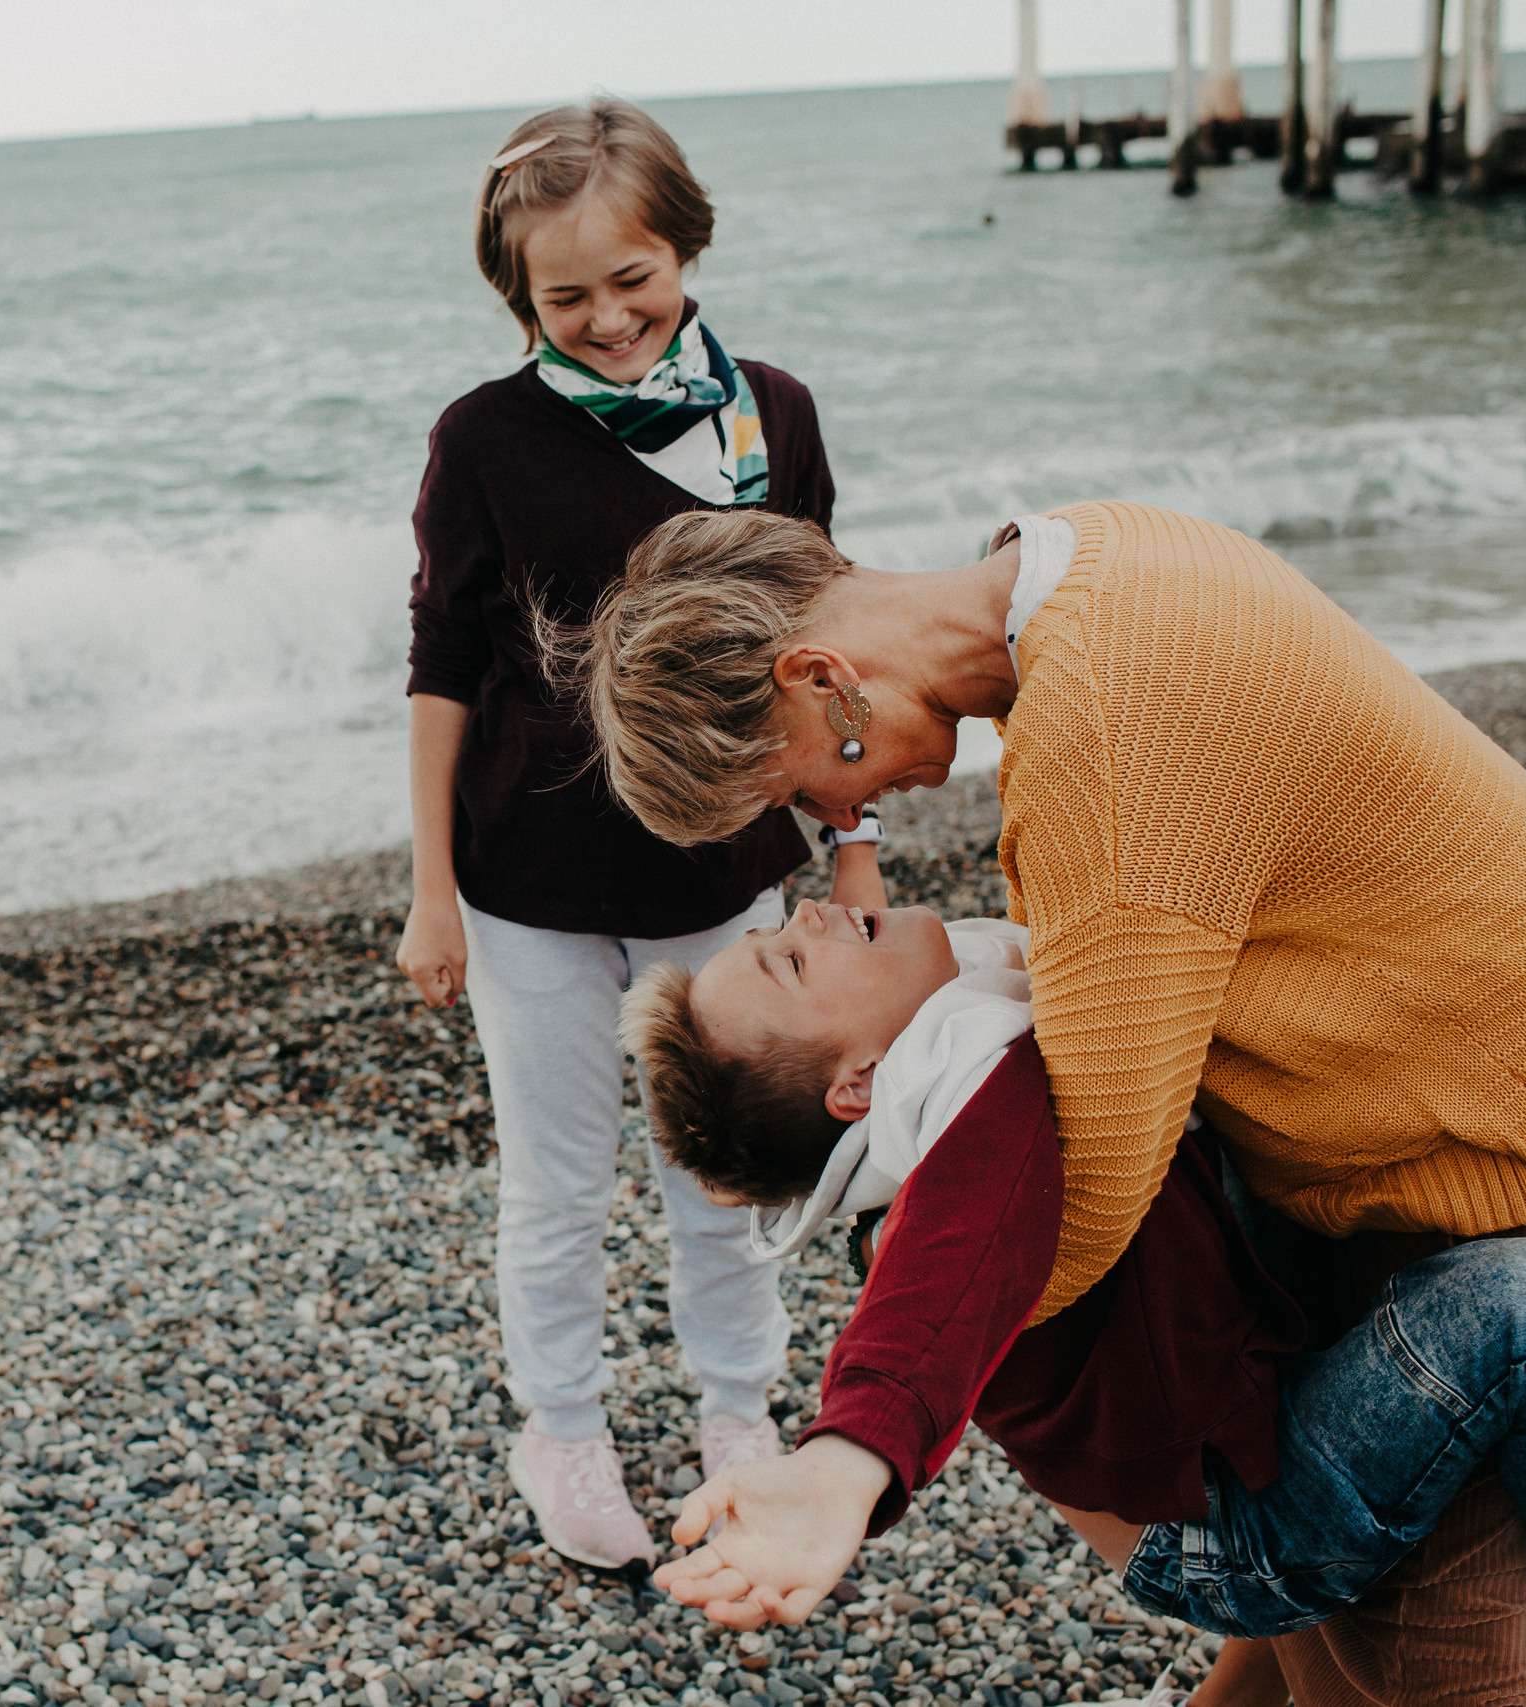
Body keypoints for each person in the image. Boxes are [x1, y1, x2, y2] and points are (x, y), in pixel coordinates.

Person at [559, 500, 1526, 1701]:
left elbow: (1063, 1184)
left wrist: (888, 1422)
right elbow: (1008, 1171)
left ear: (818, 681)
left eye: (790, 791)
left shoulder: (1104, 742)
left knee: (1436, 1647)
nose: (836, 827)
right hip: (1484, 1046)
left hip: (1502, 1099)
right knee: (1341, 1603)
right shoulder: (1083, 564)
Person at [622, 897, 1526, 1704]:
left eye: (779, 929)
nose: (808, 914)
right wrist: (849, 1454)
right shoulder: (964, 1118)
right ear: (859, 1085)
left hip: (1215, 1463)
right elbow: (944, 1265)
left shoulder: (945, 1038)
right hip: (1239, 1529)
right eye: (789, 961)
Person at [395, 98, 868, 1570]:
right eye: (565, 297)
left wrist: (851, 841)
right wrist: (429, 891)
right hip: (524, 882)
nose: (605, 318)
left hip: (719, 869)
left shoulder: (771, 416)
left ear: (686, 248)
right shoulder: (483, 439)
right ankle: (561, 1426)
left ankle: (739, 1409)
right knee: (555, 1179)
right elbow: (440, 665)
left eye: (632, 278)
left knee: (718, 1169)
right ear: (518, 296)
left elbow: (830, 645)